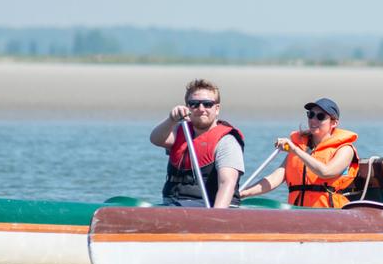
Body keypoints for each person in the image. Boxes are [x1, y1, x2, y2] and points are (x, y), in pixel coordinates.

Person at [236, 97, 358, 208]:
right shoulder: (300, 146)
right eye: (311, 115)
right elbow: (274, 179)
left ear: (334, 123)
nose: (313, 120)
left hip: (329, 214)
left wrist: (294, 149)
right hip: (298, 214)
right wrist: (242, 193)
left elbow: (326, 172)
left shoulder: (345, 149)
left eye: (320, 116)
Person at [151, 79, 244, 207]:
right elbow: (155, 139)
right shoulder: (180, 130)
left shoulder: (227, 141)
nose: (201, 109)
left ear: (217, 109)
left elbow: (227, 182)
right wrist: (171, 119)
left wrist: (217, 218)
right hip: (174, 203)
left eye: (207, 104)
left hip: (209, 205)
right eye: (194, 104)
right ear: (187, 108)